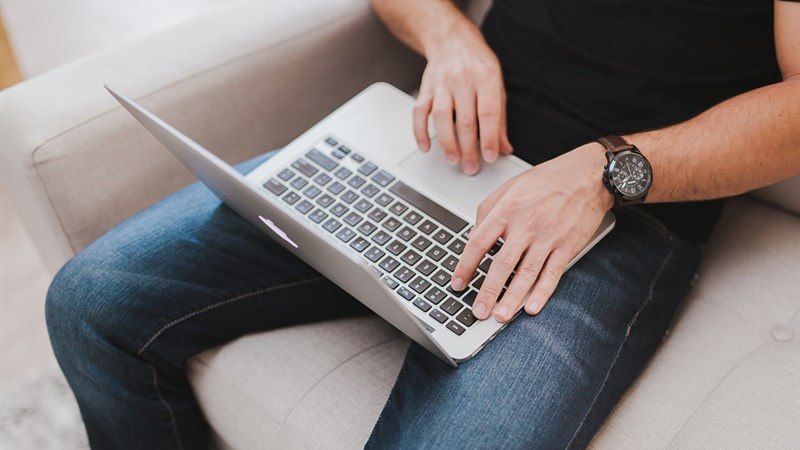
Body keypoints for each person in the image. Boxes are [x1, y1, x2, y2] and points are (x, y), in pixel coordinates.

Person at [46, 0, 799, 448]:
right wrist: (450, 38)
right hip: (443, 147)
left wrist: (605, 174)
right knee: (92, 300)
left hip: (620, 212)